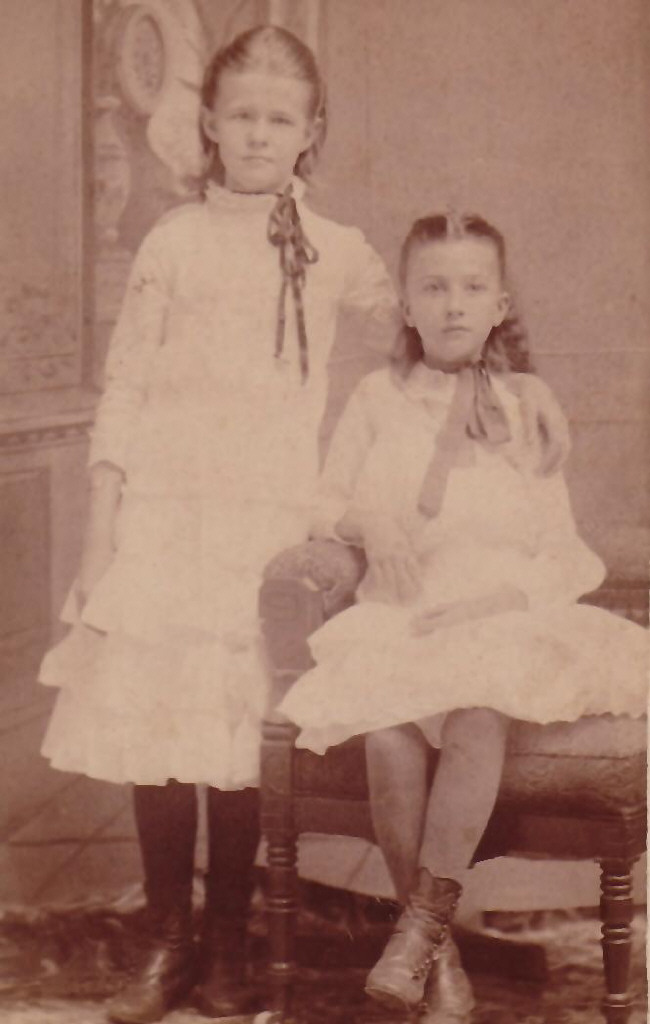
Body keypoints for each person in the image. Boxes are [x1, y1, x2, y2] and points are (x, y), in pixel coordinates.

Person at [38, 22, 568, 1021]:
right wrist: (102, 536)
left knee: (241, 740)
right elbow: (125, 389)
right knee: (158, 729)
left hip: (266, 518)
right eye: (241, 116)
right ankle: (167, 942)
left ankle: (228, 948)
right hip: (164, 517)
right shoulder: (172, 242)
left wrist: (522, 382)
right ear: (207, 122)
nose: (258, 135)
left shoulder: (337, 253)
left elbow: (430, 323)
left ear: (310, 130)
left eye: (279, 119)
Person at [279, 212, 647, 1023]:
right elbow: (322, 501)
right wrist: (372, 525)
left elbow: (560, 551)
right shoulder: (377, 399)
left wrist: (504, 600)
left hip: (501, 612)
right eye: (434, 288)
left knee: (478, 706)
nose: (453, 304)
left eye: (473, 288)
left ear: (499, 304)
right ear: (407, 306)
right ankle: (436, 958)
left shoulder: (524, 409)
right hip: (406, 612)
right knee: (388, 734)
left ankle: (416, 932)